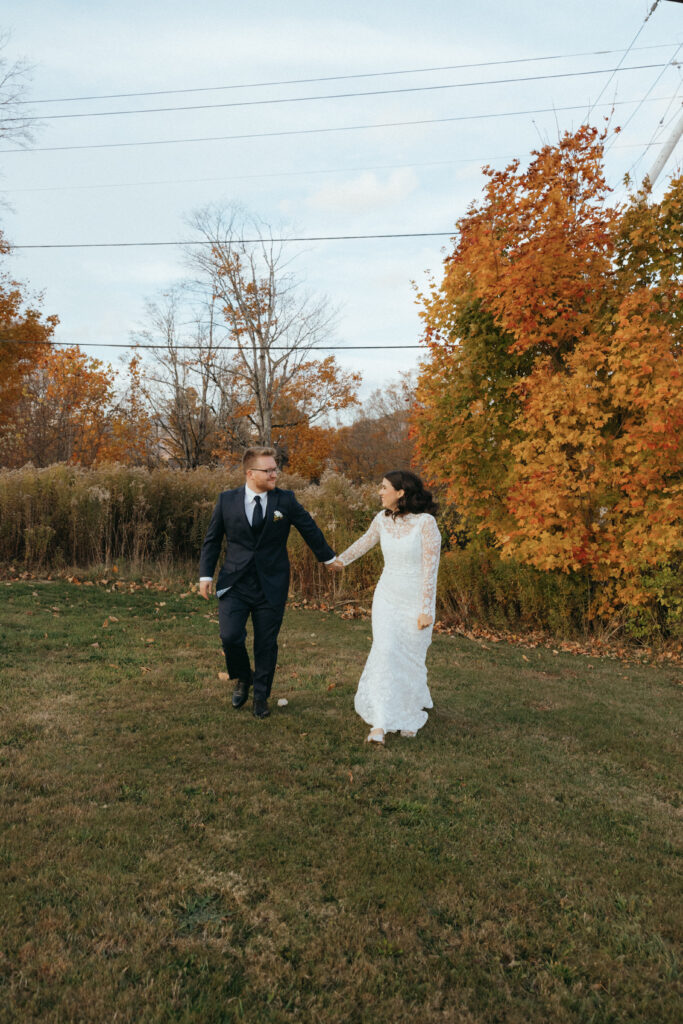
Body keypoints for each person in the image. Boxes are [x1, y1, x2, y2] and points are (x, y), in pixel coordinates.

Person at [199, 447, 338, 719]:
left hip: (271, 584)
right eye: (269, 470)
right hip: (235, 583)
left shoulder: (285, 500)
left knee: (266, 643)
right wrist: (206, 575)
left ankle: (261, 697)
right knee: (230, 636)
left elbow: (308, 528)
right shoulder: (227, 500)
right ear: (250, 474)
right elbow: (212, 540)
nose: (275, 474)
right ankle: (243, 676)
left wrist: (329, 558)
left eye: (275, 469)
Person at [330, 470, 441, 744]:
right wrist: (340, 561)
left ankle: (409, 711)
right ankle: (380, 721)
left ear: (400, 492)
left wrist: (426, 609)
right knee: (385, 650)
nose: (380, 492)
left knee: (411, 658)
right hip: (387, 597)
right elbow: (364, 542)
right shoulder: (381, 519)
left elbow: (431, 569)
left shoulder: (426, 523)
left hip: (415, 600)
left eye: (384, 487)